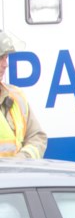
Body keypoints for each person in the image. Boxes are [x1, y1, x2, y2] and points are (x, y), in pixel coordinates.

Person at [0, 31, 46, 159]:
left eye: (5, 57)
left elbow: (37, 137)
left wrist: (23, 159)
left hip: (18, 176)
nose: (5, 64)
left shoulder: (16, 96)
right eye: (0, 58)